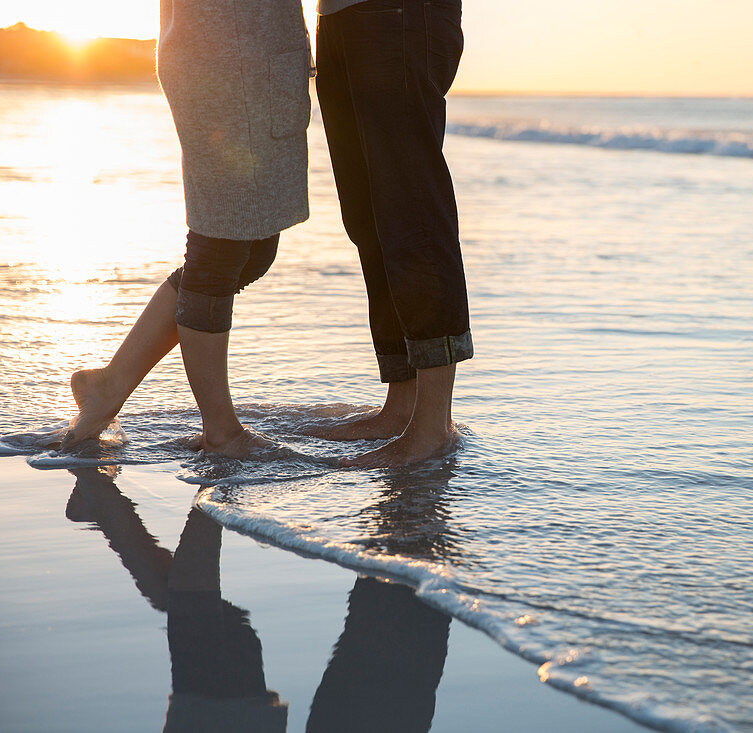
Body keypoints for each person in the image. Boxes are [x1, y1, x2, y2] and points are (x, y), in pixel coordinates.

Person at [64, 0, 313, 458]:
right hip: (226, 59)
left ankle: (108, 385)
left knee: (253, 250)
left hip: (255, 58)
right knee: (219, 248)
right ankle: (221, 429)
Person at [311, 0, 473, 468]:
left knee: (411, 212)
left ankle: (433, 425)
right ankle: (401, 405)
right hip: (338, 16)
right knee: (368, 219)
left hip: (398, 12)